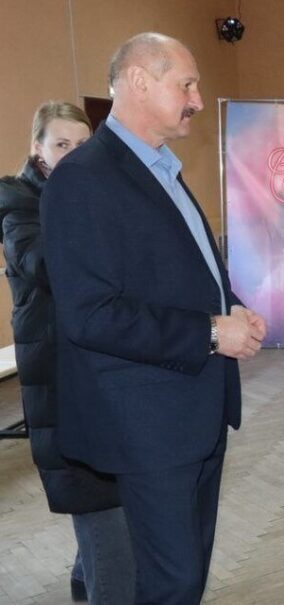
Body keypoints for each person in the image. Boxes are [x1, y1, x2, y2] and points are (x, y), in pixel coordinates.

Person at [41, 33, 266, 603]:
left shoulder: (161, 168)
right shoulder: (83, 177)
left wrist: (230, 305)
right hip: (146, 426)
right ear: (139, 82)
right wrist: (211, 331)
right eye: (186, 85)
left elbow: (178, 273)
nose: (197, 99)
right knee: (171, 582)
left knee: (185, 577)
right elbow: (90, 314)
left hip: (196, 411)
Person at [0, 101, 136, 603]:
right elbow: (43, 263)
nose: (75, 154)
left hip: (101, 369)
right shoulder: (16, 199)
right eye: (62, 144)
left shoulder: (96, 193)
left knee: (106, 499)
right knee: (100, 502)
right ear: (38, 149)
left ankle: (85, 582)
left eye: (83, 144)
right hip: (60, 374)